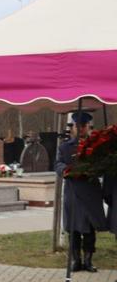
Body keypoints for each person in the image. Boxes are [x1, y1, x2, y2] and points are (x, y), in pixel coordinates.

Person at [54, 112, 108, 272]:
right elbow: (57, 164)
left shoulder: (97, 146)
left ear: (88, 127)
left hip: (90, 192)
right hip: (73, 192)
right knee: (74, 229)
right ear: (74, 128)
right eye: (78, 126)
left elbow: (103, 164)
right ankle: (76, 261)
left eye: (84, 126)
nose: (81, 129)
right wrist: (66, 170)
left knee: (90, 230)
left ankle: (88, 261)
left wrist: (93, 169)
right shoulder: (64, 147)